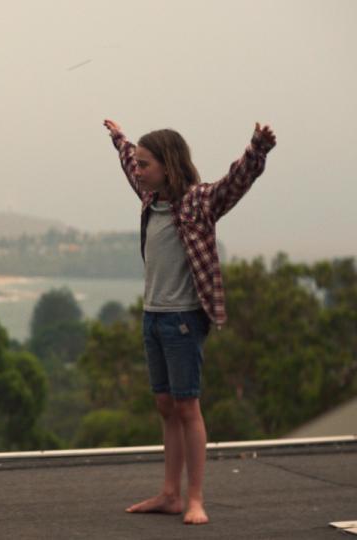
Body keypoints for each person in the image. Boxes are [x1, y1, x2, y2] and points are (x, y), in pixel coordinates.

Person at [102, 119, 276, 525]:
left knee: (186, 406)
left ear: (169, 165)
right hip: (153, 316)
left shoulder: (199, 202)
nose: (139, 171)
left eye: (147, 165)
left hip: (182, 319)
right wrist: (119, 139)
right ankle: (169, 494)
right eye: (139, 165)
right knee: (165, 404)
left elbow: (236, 182)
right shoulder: (150, 199)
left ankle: (194, 497)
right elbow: (129, 161)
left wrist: (257, 149)